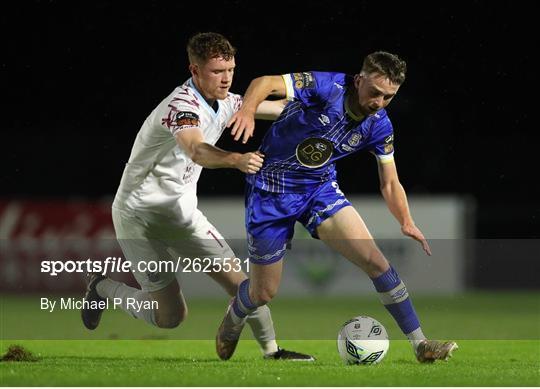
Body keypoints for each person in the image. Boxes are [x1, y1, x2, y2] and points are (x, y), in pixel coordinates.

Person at [81, 32, 314, 361]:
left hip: (183, 216)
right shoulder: (181, 107)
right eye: (217, 71)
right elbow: (197, 150)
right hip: (138, 218)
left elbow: (281, 109)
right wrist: (236, 159)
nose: (227, 78)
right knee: (170, 317)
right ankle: (102, 288)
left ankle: (272, 352)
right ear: (194, 70)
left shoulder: (229, 102)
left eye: (231, 69)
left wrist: (326, 104)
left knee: (245, 286)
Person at [216, 51, 458, 362]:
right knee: (263, 293)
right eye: (374, 93)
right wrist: (248, 110)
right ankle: (235, 315)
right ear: (359, 80)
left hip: (319, 190)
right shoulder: (326, 86)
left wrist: (406, 220)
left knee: (376, 262)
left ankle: (420, 344)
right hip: (270, 191)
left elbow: (390, 182)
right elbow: (264, 83)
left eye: (388, 97)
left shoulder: (379, 125)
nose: (379, 102)